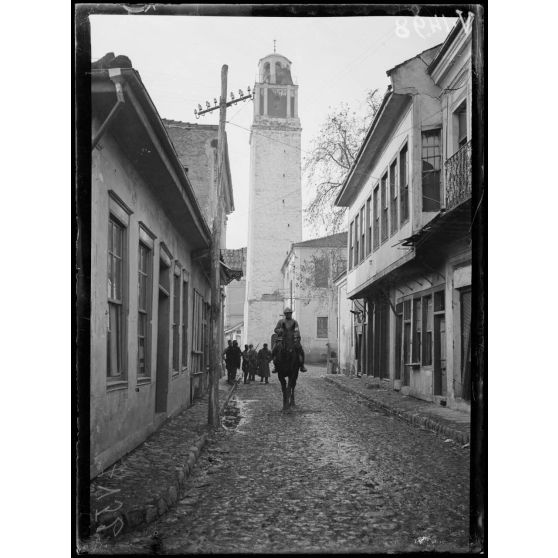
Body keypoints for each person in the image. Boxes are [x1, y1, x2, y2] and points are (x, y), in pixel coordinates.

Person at [273, 307, 307, 372]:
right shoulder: (280, 322)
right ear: (285, 314)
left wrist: (296, 336)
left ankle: (302, 365)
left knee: (300, 350)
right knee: (274, 349)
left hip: (292, 339)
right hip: (281, 339)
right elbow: (275, 329)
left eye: (289, 313)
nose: (288, 315)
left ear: (291, 314)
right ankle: (275, 365)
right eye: (286, 313)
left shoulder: (294, 322)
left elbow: (297, 330)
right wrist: (280, 331)